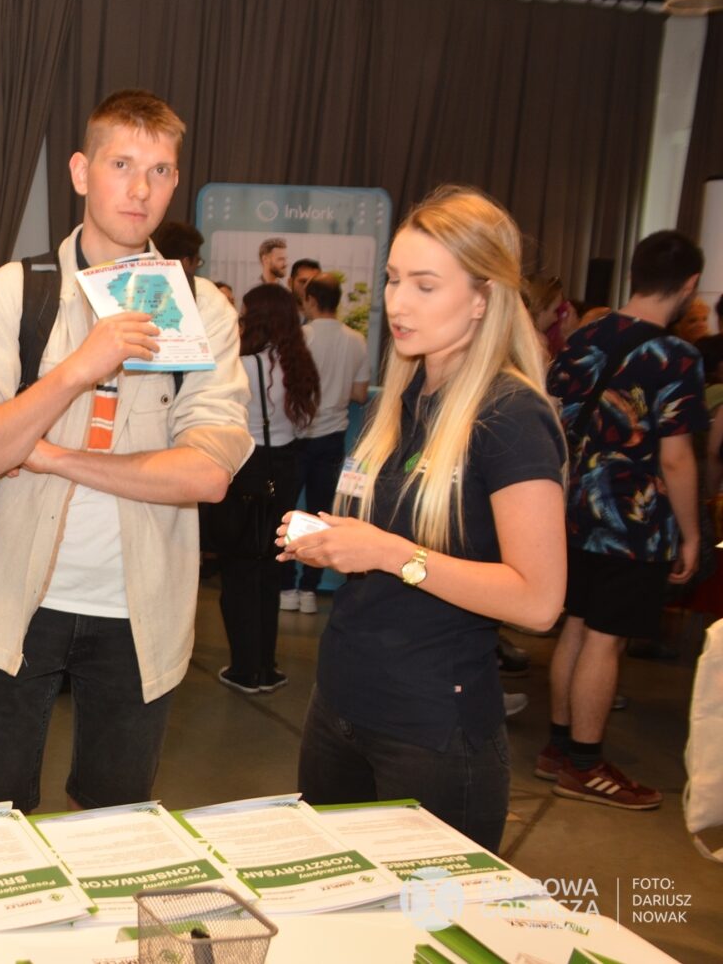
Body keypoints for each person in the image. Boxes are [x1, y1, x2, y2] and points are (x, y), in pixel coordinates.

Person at [0, 90, 250, 813]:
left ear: (175, 181)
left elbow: (207, 472)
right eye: (121, 164)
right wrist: (78, 367)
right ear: (81, 172)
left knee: (118, 823)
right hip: (6, 603)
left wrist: (50, 456)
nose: (141, 189)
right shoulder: (13, 293)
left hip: (141, 613)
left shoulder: (202, 308)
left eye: (160, 171)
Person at [284, 186, 567, 851]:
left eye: (425, 285)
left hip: (432, 731)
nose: (398, 302)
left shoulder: (510, 417)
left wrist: (387, 553)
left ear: (482, 298)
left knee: (427, 916)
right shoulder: (405, 397)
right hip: (341, 706)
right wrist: (335, 543)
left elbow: (538, 600)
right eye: (392, 279)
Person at [539, 230, 707, 811]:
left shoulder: (585, 336)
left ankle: (558, 747)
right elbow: (677, 457)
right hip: (633, 522)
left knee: (578, 626)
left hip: (571, 511)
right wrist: (691, 534)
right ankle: (585, 765)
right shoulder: (677, 357)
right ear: (689, 284)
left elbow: (552, 417)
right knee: (605, 640)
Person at [218, 283, 316, 693]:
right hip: (287, 465)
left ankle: (245, 669)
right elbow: (303, 423)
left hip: (248, 466)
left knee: (239, 568)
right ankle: (266, 666)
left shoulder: (243, 365)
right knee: (270, 566)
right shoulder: (297, 362)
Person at [281, 275, 368, 615]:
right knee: (321, 515)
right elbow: (360, 394)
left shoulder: (301, 337)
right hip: (333, 439)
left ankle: (286, 586)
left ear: (312, 300)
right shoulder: (356, 340)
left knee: (287, 512)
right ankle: (309, 589)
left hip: (297, 436)